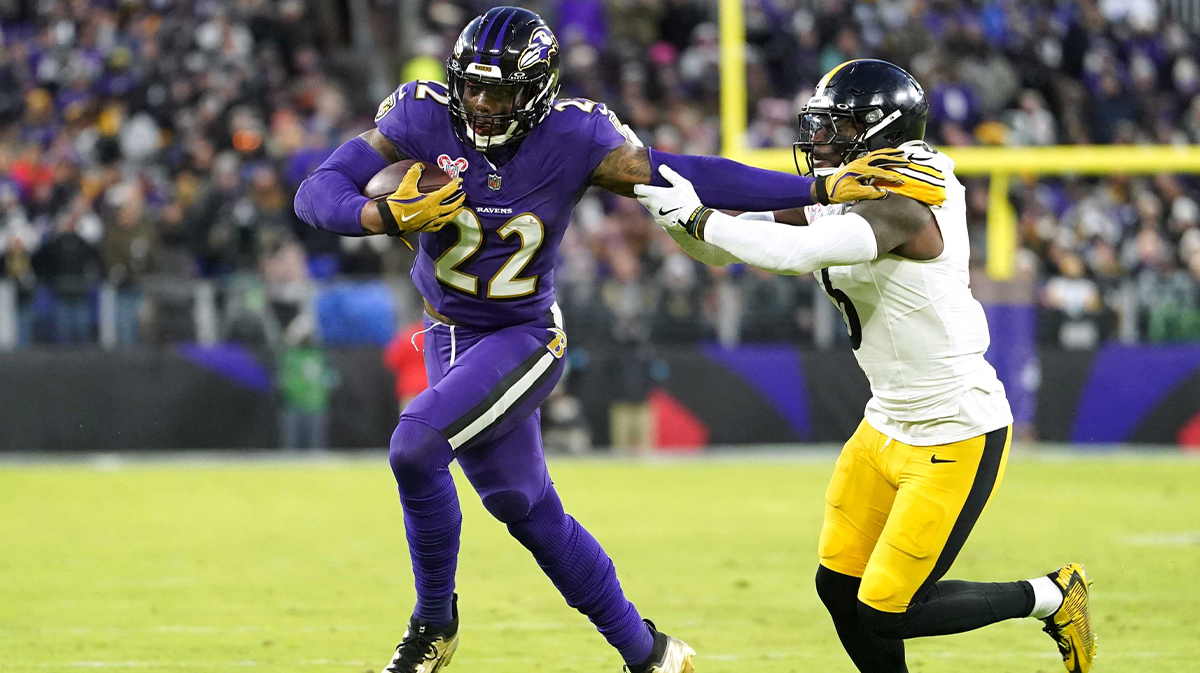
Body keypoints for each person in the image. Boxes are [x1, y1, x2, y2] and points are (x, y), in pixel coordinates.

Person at [294, 9, 922, 671]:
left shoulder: (576, 133)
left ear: (535, 90)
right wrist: (378, 213)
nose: (480, 103)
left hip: (522, 334)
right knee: (523, 505)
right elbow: (316, 190)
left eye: (499, 90)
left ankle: (431, 624)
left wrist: (817, 186)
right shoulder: (420, 116)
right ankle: (650, 653)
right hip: (446, 331)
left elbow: (684, 171)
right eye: (471, 87)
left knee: (416, 445)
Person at [635, 60, 1096, 673]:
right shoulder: (850, 183)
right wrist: (678, 220)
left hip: (954, 428)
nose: (822, 140)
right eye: (821, 124)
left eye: (840, 125)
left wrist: (698, 216)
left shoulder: (909, 198)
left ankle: (1051, 596)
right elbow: (728, 248)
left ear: (884, 130)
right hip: (885, 421)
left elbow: (798, 254)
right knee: (838, 588)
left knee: (889, 609)